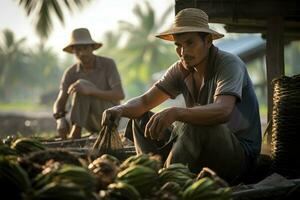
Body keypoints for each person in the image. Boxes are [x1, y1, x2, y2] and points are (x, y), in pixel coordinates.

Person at [102, 8, 261, 184]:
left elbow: (223, 110)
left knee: (196, 122)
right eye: (178, 45)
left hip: (238, 157)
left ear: (208, 41)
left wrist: (176, 113)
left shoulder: (229, 64)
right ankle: (150, 173)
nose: (183, 51)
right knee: (139, 118)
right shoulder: (181, 68)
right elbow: (145, 102)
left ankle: (166, 181)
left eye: (190, 43)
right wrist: (119, 109)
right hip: (200, 148)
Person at [53, 28, 125, 140]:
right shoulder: (71, 72)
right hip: (88, 121)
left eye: (85, 48)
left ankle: (76, 132)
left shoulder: (108, 64)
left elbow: (119, 94)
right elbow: (60, 101)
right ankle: (76, 128)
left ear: (92, 48)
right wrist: (59, 119)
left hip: (109, 118)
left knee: (82, 85)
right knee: (81, 87)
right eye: (78, 50)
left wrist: (91, 90)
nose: (82, 53)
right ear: (73, 51)